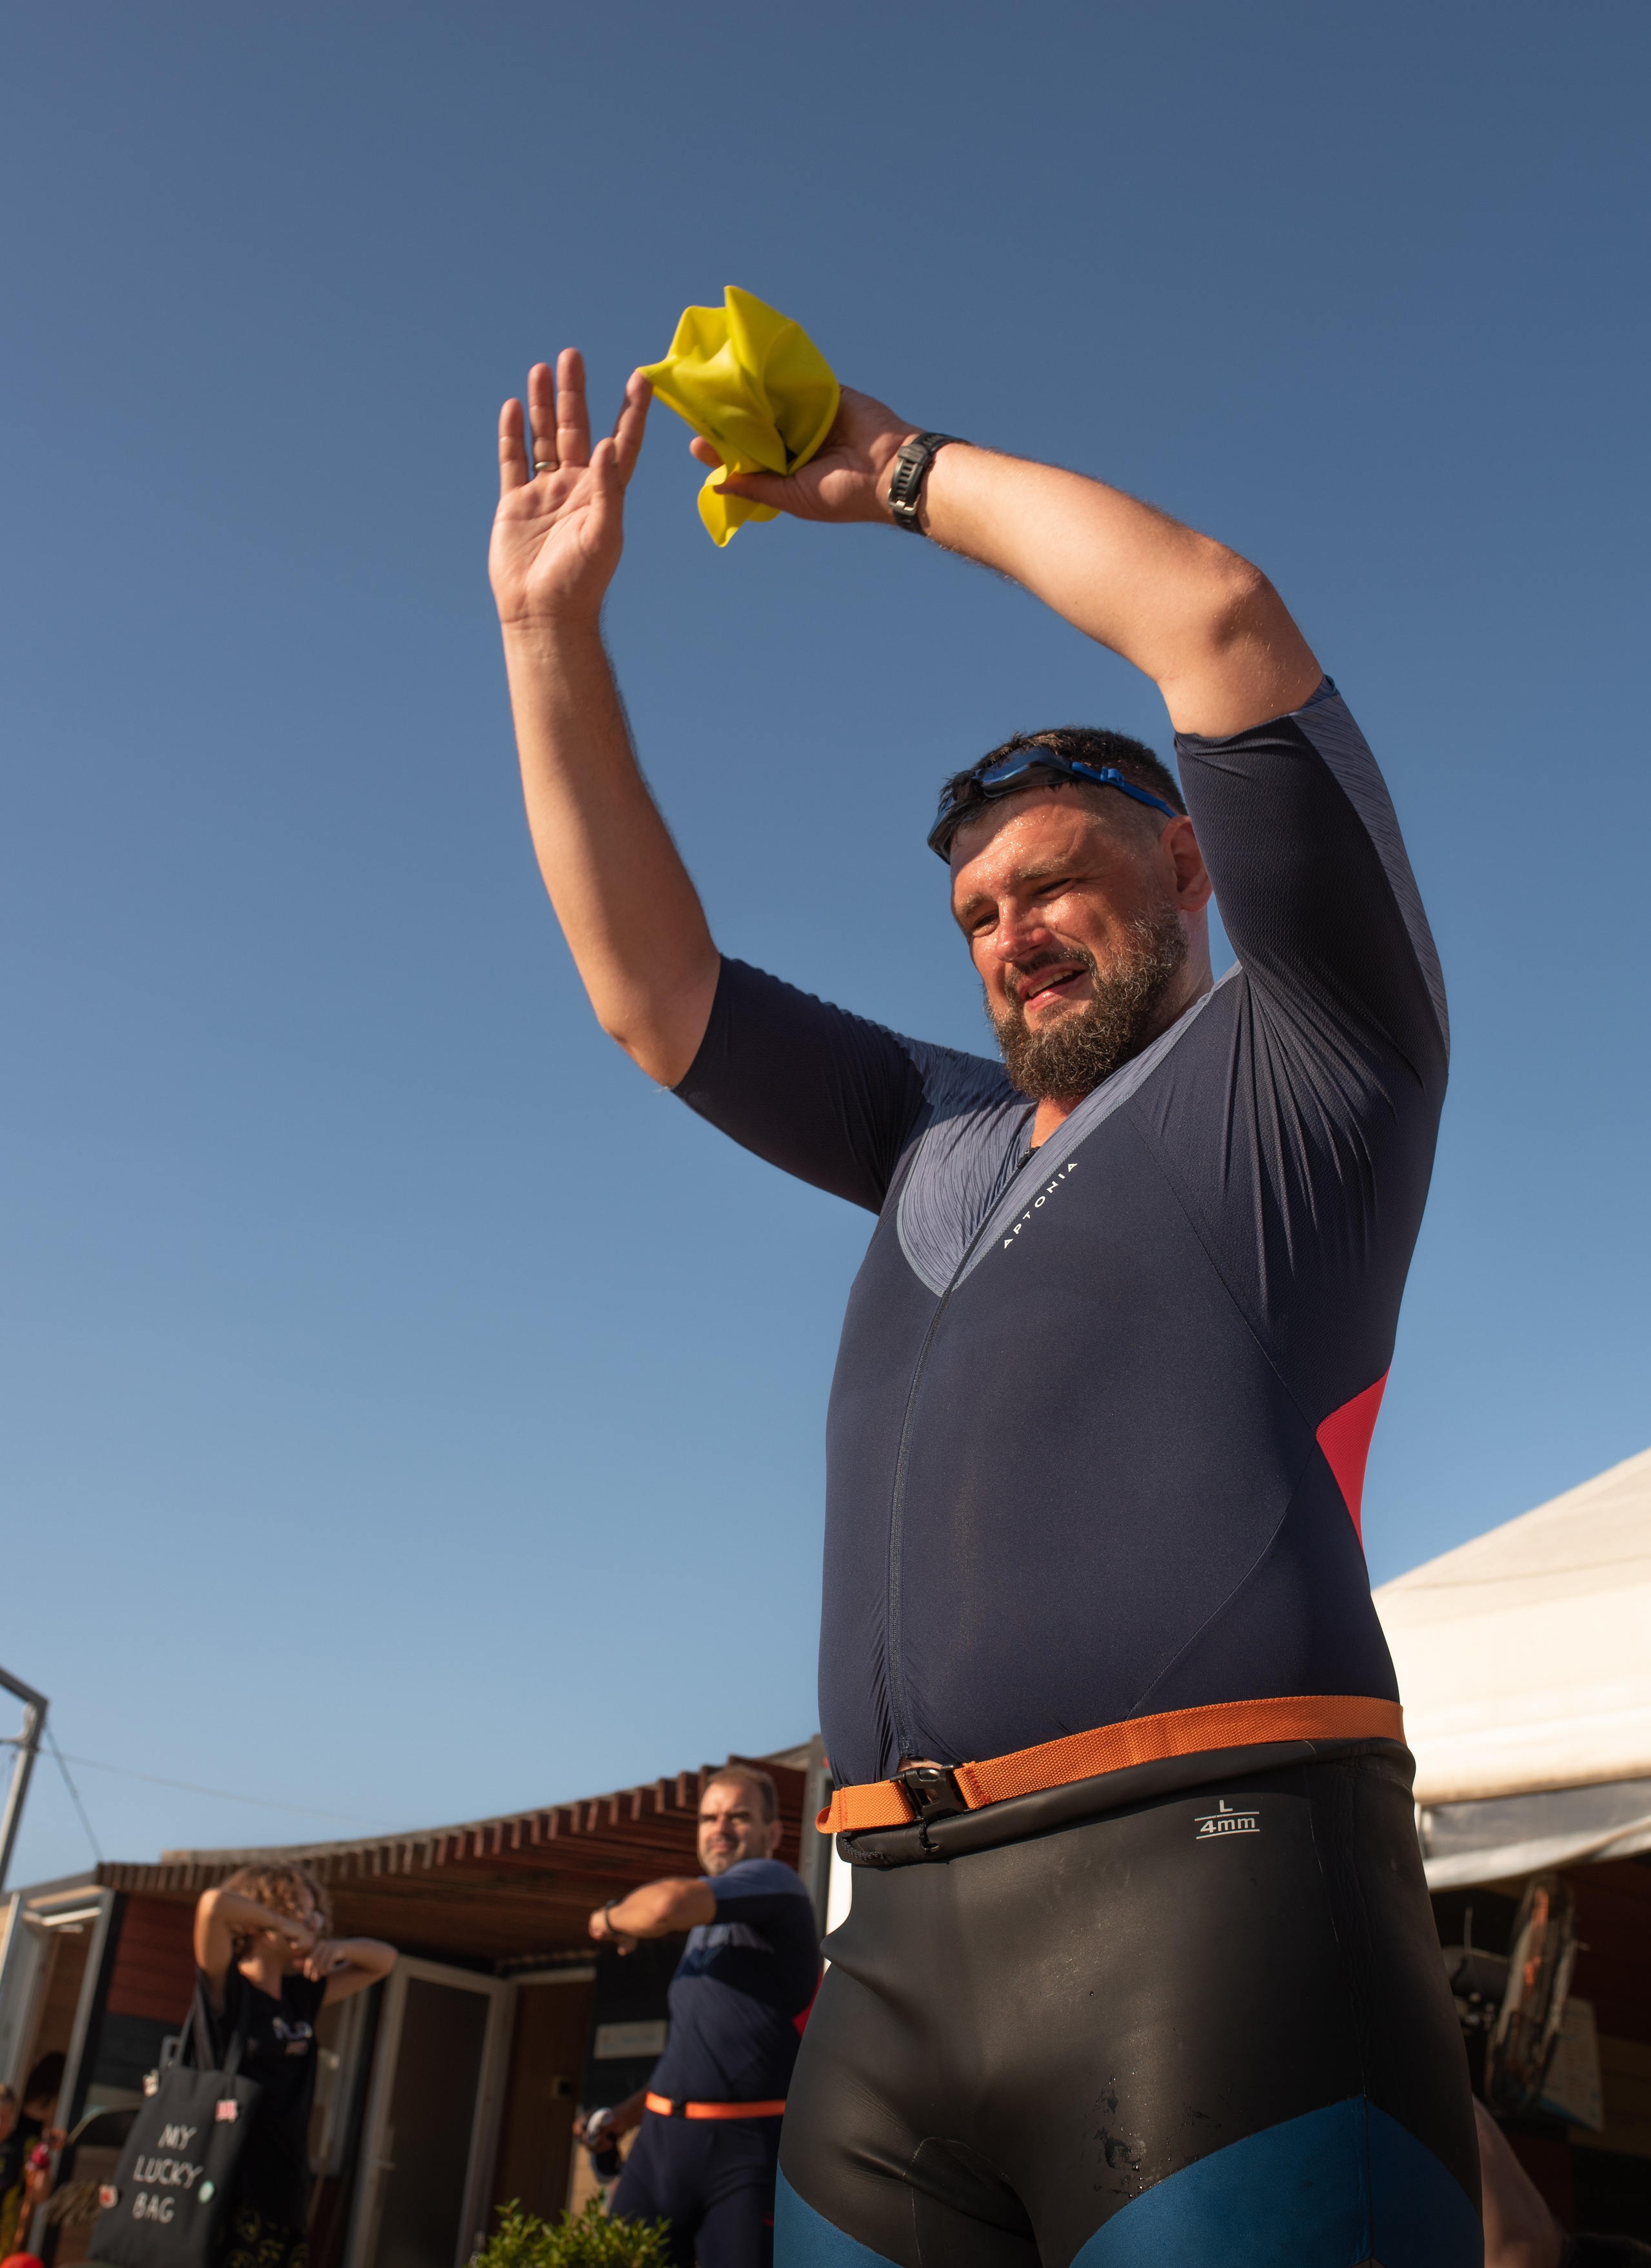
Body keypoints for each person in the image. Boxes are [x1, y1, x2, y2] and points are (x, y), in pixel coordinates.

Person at [488, 351, 1475, 2265]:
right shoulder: (931, 1130)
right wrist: (550, 631)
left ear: (1187, 864)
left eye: (1056, 883)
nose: (1009, 931)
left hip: (1218, 1902)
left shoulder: (1312, 1060)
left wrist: (899, 469)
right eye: (975, 913)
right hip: (894, 1949)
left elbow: (1210, 615)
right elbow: (651, 994)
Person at [572, 1767, 818, 2268]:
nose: (720, 1828)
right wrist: (624, 2117)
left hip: (741, 2154)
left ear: (773, 1834)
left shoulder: (776, 1882)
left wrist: (609, 1917)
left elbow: (664, 1904)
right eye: (709, 1817)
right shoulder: (706, 1928)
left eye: (738, 1816)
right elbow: (698, 2050)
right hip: (657, 2146)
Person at [194, 1862, 395, 2268]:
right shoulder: (226, 1988)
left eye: (316, 1915)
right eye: (302, 1913)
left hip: (286, 2188)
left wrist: (341, 1948)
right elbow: (213, 1906)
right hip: (229, 2186)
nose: (313, 1924)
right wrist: (277, 1922)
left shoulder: (300, 1997)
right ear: (262, 1918)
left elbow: (384, 1961)